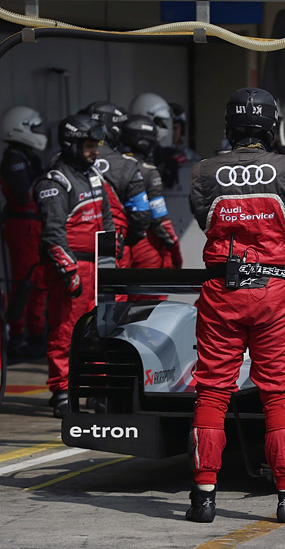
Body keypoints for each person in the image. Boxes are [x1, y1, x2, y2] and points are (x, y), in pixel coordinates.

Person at [185, 88, 285, 524]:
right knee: (278, 392)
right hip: (273, 291)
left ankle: (203, 497)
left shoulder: (204, 172)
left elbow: (204, 220)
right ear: (270, 127)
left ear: (230, 127)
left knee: (213, 390)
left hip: (221, 291)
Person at [34, 114, 114, 417]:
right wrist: (69, 272)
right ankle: (62, 392)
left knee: (100, 332)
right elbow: (53, 234)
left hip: (98, 267)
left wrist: (111, 260)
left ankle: (96, 391)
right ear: (72, 144)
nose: (96, 151)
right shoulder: (54, 183)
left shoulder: (94, 176)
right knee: (65, 332)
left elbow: (107, 222)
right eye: (90, 145)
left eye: (97, 144)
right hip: (71, 270)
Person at [0, 106, 49, 358]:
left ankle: (35, 333)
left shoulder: (28, 157)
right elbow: (22, 195)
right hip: (23, 225)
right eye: (35, 128)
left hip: (35, 225)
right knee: (24, 282)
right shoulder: (14, 159)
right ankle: (16, 335)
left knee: (39, 280)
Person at [84, 102, 151, 256]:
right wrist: (126, 241)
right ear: (113, 128)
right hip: (114, 247)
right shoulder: (127, 165)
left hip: (76, 249)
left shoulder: (60, 161)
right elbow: (141, 215)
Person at [120, 115, 182, 275]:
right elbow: (159, 218)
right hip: (145, 243)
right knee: (149, 297)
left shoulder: (108, 166)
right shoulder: (148, 171)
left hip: (115, 241)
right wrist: (174, 247)